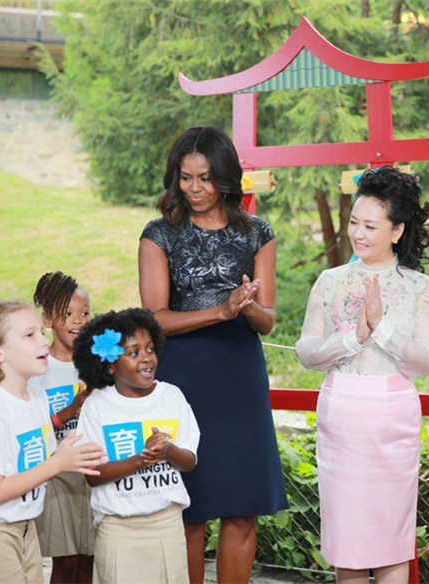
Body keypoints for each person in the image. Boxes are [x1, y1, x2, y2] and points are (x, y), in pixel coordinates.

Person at [138, 125, 287, 583]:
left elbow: (268, 321)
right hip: (183, 376)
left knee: (242, 507)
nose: (195, 188)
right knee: (190, 508)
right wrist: (221, 312)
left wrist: (247, 308)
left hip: (240, 374)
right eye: (185, 178)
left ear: (225, 177)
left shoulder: (257, 232)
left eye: (205, 177)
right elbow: (155, 318)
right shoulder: (159, 234)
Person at [295, 165, 429, 583]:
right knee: (350, 542)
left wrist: (384, 329)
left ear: (397, 230)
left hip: (393, 416)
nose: (358, 233)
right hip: (342, 414)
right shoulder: (330, 280)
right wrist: (355, 336)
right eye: (354, 222)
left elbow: (426, 361)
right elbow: (307, 352)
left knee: (393, 537)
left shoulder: (418, 287)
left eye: (370, 226)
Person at [0, 300, 105, 583]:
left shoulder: (36, 396)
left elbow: (36, 459)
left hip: (24, 526)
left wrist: (75, 456)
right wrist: (58, 464)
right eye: (29, 335)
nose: (43, 342)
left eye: (40, 334)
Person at [72, 307, 200, 584]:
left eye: (150, 349)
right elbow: (93, 476)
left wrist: (168, 450)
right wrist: (141, 459)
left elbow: (189, 461)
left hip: (166, 523)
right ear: (110, 365)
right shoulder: (98, 406)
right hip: (118, 528)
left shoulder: (172, 397)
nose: (146, 358)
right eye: (134, 353)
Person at [32, 271, 96, 583]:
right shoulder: (37, 368)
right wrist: (67, 412)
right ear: (47, 319)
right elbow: (26, 425)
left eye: (85, 313)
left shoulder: (100, 364)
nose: (78, 321)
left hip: (94, 473)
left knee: (90, 560)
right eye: (67, 313)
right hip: (56, 477)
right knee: (66, 561)